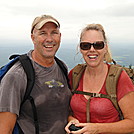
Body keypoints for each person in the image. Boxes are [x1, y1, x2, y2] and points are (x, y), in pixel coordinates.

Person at [0, 14, 71, 134]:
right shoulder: (17, 75)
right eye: (43, 33)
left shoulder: (61, 66)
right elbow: (4, 129)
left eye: (54, 32)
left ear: (60, 36)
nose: (49, 39)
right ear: (33, 38)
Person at [65, 24, 134, 134]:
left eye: (98, 45)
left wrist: (96, 129)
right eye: (86, 45)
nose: (92, 50)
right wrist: (71, 120)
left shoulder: (118, 77)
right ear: (80, 49)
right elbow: (67, 110)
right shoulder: (75, 74)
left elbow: (132, 124)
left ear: (105, 48)